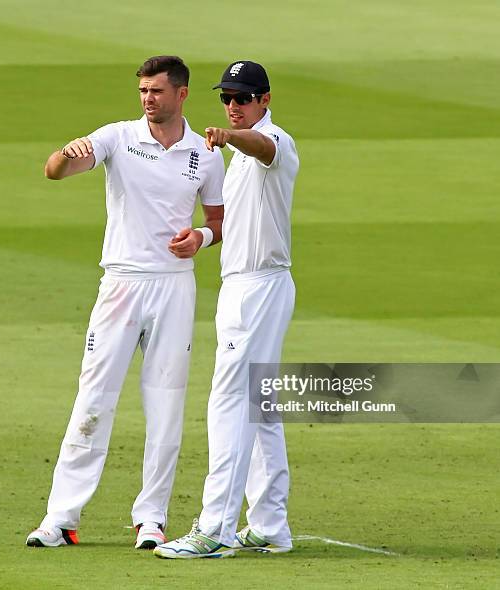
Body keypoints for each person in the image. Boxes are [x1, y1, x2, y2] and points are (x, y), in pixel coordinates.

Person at [26, 56, 225, 550]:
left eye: (156, 91)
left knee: (166, 404)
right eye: (142, 90)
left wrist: (199, 236)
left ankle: (152, 519)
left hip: (174, 286)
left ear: (181, 94)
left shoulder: (206, 154)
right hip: (120, 284)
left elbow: (220, 221)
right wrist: (62, 155)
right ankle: (60, 518)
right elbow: (56, 172)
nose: (147, 99)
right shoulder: (118, 136)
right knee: (94, 399)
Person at [154, 60, 299, 559]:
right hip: (244, 285)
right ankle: (270, 524)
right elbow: (233, 224)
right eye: (227, 98)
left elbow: (264, 147)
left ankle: (215, 527)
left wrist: (232, 137)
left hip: (258, 288)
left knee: (230, 401)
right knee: (259, 406)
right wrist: (203, 235)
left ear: (265, 100)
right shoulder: (239, 156)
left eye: (243, 98)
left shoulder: (273, 143)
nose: (233, 106)